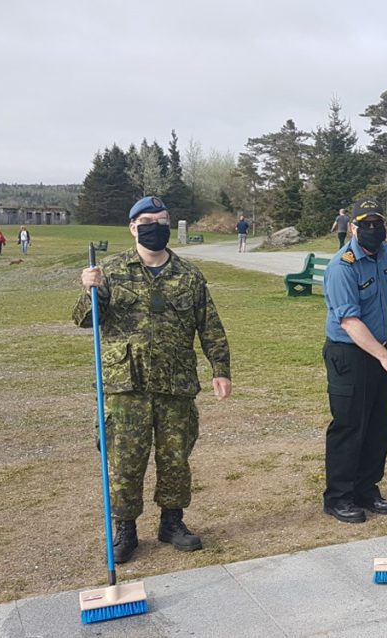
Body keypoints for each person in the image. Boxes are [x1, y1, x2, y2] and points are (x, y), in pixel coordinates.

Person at [72, 195, 232, 563]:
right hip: (125, 384)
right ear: (132, 227)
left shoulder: (189, 275)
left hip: (175, 382)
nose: (155, 227)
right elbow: (84, 321)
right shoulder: (109, 272)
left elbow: (210, 326)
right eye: (147, 220)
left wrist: (220, 370)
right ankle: (125, 529)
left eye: (162, 220)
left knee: (176, 457)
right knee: (125, 459)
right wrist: (89, 290)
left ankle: (172, 523)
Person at [321, 200, 387, 524]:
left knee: (378, 424)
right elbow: (349, 322)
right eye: (367, 224)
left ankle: (366, 488)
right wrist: (386, 358)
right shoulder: (342, 267)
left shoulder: (385, 251)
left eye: (378, 224)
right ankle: (339, 497)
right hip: (349, 353)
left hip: (379, 350)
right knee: (350, 426)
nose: (373, 230)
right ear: (353, 227)